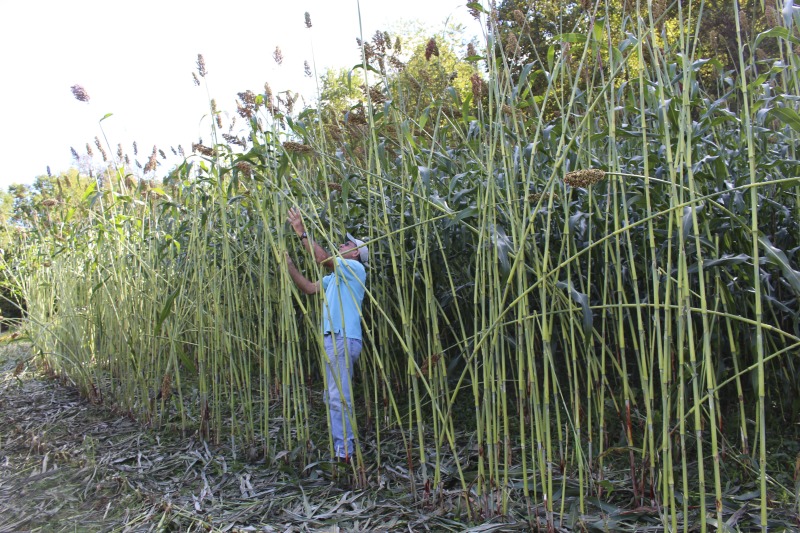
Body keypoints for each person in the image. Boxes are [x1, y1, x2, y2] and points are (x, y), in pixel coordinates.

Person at [285, 207, 368, 462]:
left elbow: (322, 257)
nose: (342, 244)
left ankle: (346, 454)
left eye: (347, 243)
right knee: (334, 395)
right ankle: (345, 446)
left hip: (342, 338)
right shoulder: (335, 278)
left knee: (337, 397)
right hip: (334, 339)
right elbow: (310, 288)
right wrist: (289, 266)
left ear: (355, 253)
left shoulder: (355, 269)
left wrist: (301, 232)